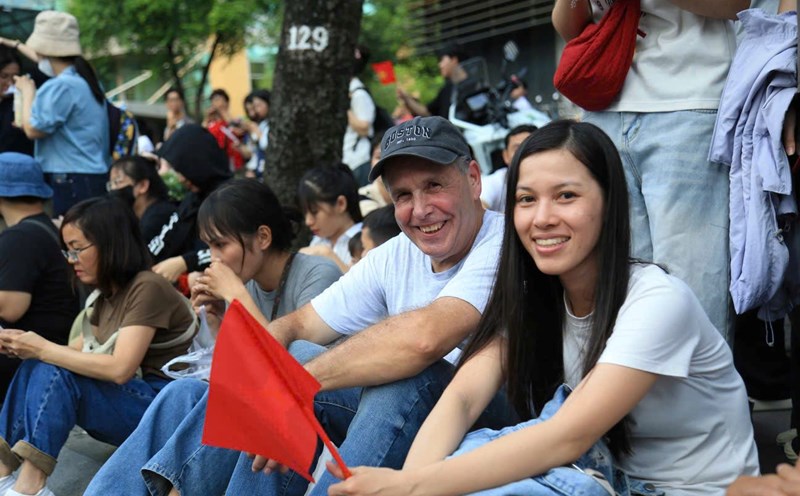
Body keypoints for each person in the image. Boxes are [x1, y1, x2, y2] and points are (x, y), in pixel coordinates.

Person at [329, 119, 759, 496]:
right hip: (595, 475)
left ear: (609, 201)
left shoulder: (658, 302)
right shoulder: (532, 297)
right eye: (527, 199)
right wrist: (413, 483)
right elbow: (463, 397)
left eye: (566, 196)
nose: (542, 218)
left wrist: (409, 486)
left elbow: (568, 436)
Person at [221, 115, 515, 496]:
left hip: (500, 425)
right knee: (284, 360)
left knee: (408, 376)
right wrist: (271, 376)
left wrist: (298, 385)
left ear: (474, 179)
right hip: (420, 416)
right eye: (403, 195)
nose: (420, 209)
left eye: (434, 186)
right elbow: (300, 324)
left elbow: (424, 339)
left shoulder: (506, 243)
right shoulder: (395, 254)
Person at [85, 178, 342, 496]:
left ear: (263, 237)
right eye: (208, 246)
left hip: (316, 421)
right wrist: (218, 321)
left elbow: (298, 369)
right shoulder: (247, 285)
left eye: (220, 245)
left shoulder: (318, 273)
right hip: (262, 410)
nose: (213, 257)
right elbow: (231, 373)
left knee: (238, 398)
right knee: (181, 392)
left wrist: (235, 297)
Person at [551, 0, 748, 340]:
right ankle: (632, 376)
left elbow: (736, 5)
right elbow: (567, 25)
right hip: (605, 109)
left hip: (688, 102)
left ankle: (693, 377)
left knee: (691, 287)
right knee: (621, 286)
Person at [0, 196, 196, 496]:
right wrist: (21, 345)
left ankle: (30, 486)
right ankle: (2, 472)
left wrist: (40, 348)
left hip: (166, 409)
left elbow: (120, 369)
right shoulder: (104, 297)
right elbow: (72, 354)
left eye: (77, 249)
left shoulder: (147, 286)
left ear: (110, 243)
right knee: (38, 364)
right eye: (68, 251)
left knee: (51, 363)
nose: (71, 259)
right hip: (137, 402)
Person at [14, 10, 110, 217]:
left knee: (71, 235)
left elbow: (33, 129)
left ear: (44, 51)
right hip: (89, 176)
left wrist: (27, 92)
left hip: (71, 179)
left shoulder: (61, 86)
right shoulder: (84, 80)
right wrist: (13, 44)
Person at [0, 153, 77, 398]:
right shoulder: (45, 228)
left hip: (27, 361)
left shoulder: (20, 237)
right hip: (50, 353)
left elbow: (10, 308)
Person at [148, 124, 232, 283]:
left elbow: (231, 249)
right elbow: (165, 239)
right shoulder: (192, 199)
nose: (180, 178)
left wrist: (185, 262)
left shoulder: (230, 198)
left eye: (184, 168)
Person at [298, 163, 364, 271]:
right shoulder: (317, 241)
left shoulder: (365, 239)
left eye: (314, 211)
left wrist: (327, 255)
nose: (308, 221)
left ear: (341, 204)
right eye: (305, 213)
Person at [106, 155, 177, 243]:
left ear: (143, 185)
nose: (113, 189)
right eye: (111, 185)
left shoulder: (159, 218)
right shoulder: (133, 217)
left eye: (117, 182)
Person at [397, 43, 467, 119]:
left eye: (442, 60)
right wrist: (406, 97)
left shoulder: (473, 85)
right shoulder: (447, 90)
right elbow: (426, 112)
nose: (440, 65)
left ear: (454, 60)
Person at [480, 124, 537, 212]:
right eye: (517, 149)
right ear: (505, 155)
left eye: (529, 148)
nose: (523, 154)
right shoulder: (495, 181)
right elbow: (477, 210)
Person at [343, 45, 376, 183]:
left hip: (359, 160)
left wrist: (345, 107)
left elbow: (364, 128)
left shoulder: (359, 95)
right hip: (350, 160)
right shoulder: (351, 92)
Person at [204, 88, 245, 172]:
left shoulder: (237, 120)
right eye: (213, 101)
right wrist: (207, 118)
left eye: (218, 99)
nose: (216, 103)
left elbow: (239, 131)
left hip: (237, 165)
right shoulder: (211, 124)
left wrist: (223, 112)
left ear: (226, 102)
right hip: (218, 165)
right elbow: (200, 134)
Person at [242, 89, 270, 179]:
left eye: (259, 105)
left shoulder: (271, 124)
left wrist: (256, 131)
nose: (256, 110)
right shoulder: (262, 124)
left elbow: (266, 145)